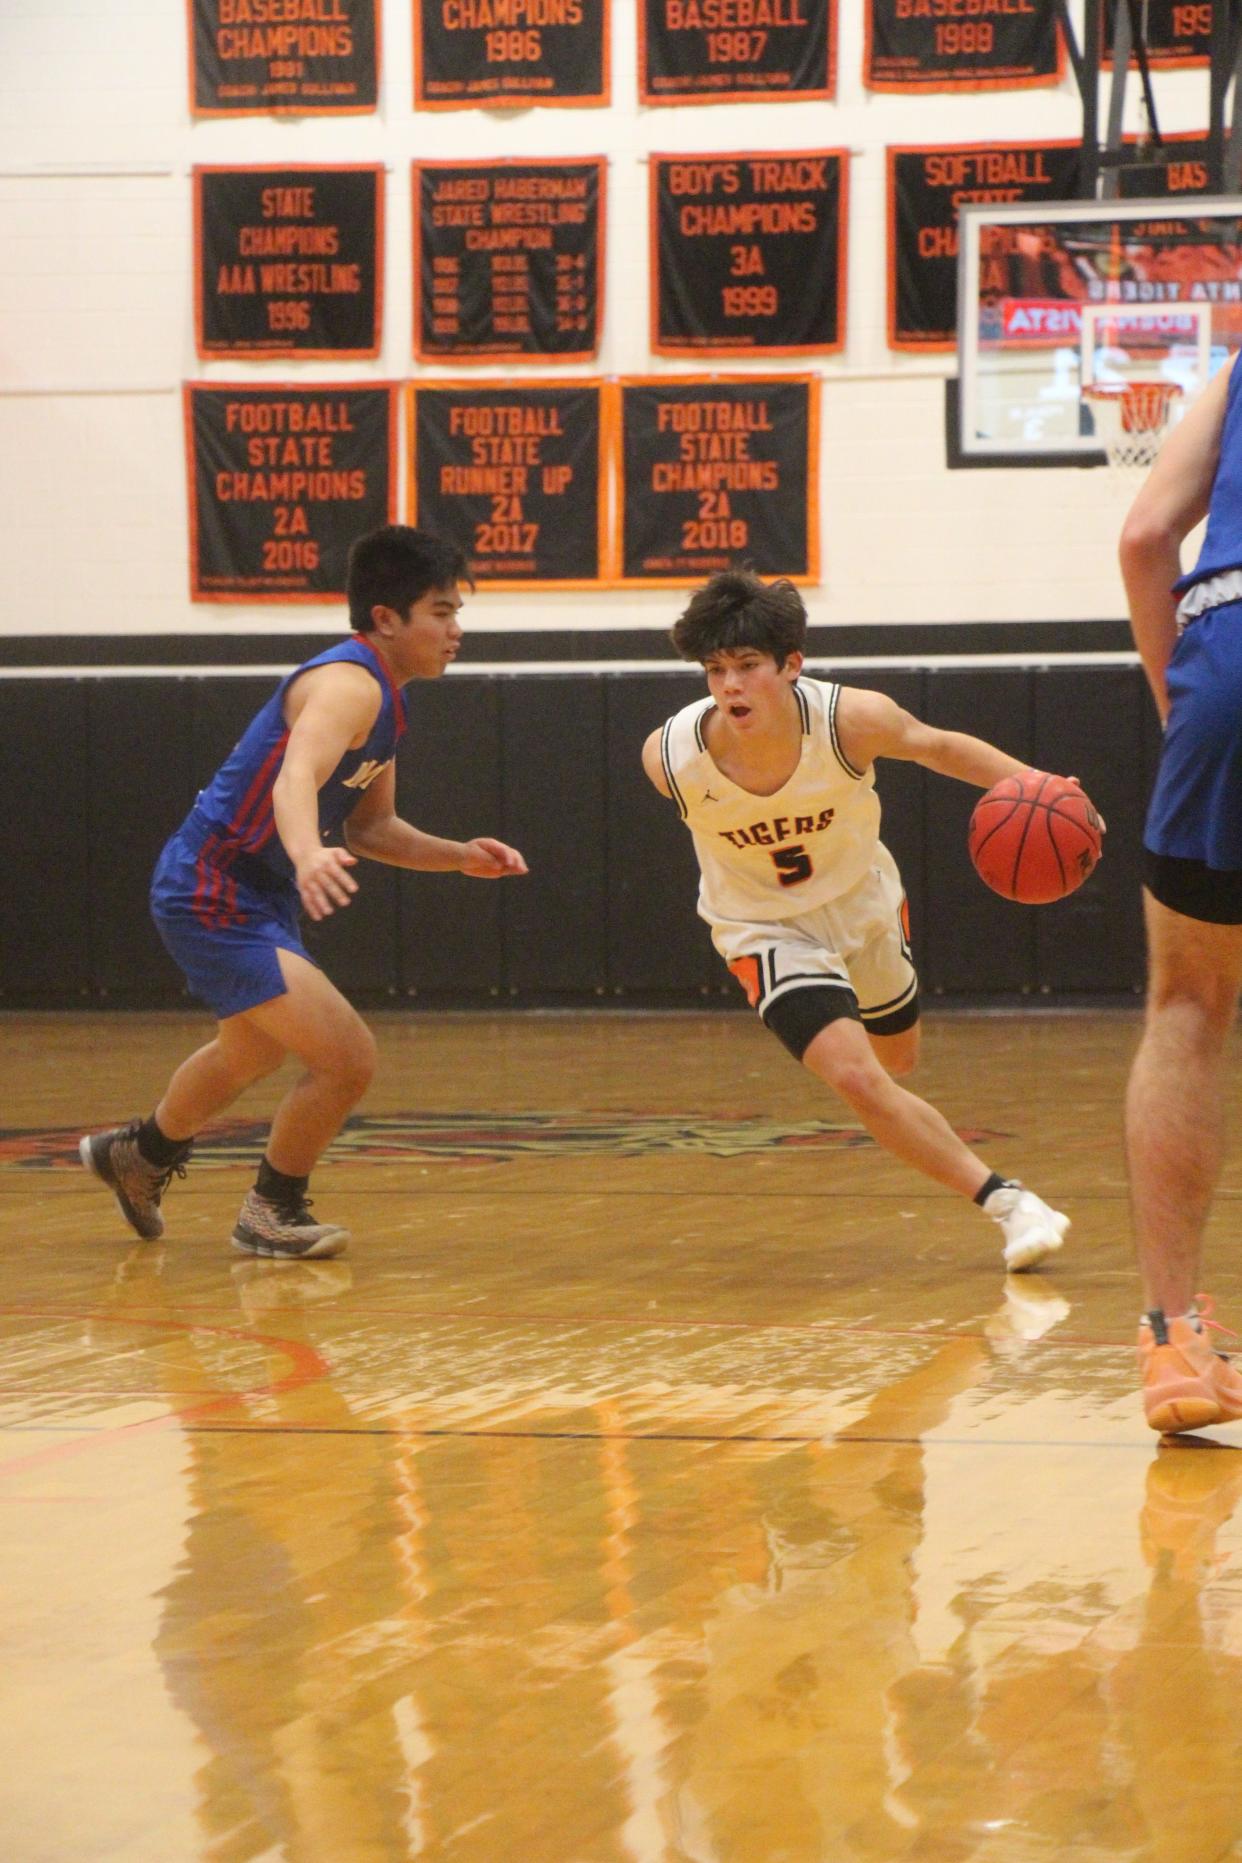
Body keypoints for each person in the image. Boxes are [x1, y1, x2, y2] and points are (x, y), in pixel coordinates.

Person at [80, 524, 527, 1261]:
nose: (455, 630)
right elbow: (295, 777)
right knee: (347, 1056)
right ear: (386, 618)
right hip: (211, 885)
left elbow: (372, 829)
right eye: (441, 612)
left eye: (456, 614)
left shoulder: (389, 700)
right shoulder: (348, 685)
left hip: (255, 890)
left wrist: (459, 857)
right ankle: (271, 1210)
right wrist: (304, 849)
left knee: (248, 1054)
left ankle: (140, 1154)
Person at [641, 569, 1073, 1274]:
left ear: (790, 665)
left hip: (862, 902)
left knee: (896, 1062)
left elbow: (938, 746)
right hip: (762, 928)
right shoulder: (671, 757)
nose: (730, 686)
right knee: (857, 1077)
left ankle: (947, 1140)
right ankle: (1011, 1203)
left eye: (748, 666)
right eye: (716, 670)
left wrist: (1039, 786)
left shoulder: (849, 720)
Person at [1119, 351, 1242, 1432]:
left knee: (1190, 1005)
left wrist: (1182, 698)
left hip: (1227, 652)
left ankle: (1170, 1344)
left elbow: (1145, 537)